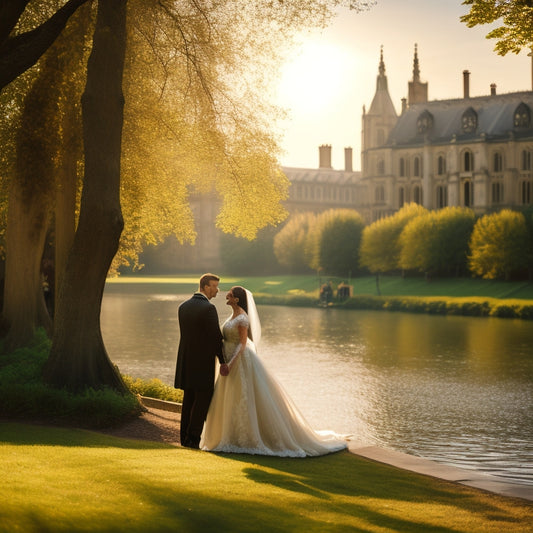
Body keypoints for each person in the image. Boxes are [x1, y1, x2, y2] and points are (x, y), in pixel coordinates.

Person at [201, 286, 348, 457]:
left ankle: (247, 437)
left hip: (238, 361)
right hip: (228, 359)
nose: (226, 295)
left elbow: (242, 344)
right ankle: (229, 435)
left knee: (243, 397)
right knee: (229, 398)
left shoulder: (242, 318)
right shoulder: (233, 315)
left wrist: (230, 364)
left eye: (230, 294)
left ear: (237, 299)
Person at [174, 273, 228, 449]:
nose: (217, 290)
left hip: (186, 362)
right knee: (202, 401)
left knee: (188, 400)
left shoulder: (183, 306)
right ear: (204, 286)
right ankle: (193, 440)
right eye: (214, 286)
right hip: (202, 363)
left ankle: (184, 439)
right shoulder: (208, 309)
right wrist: (223, 360)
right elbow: (215, 338)